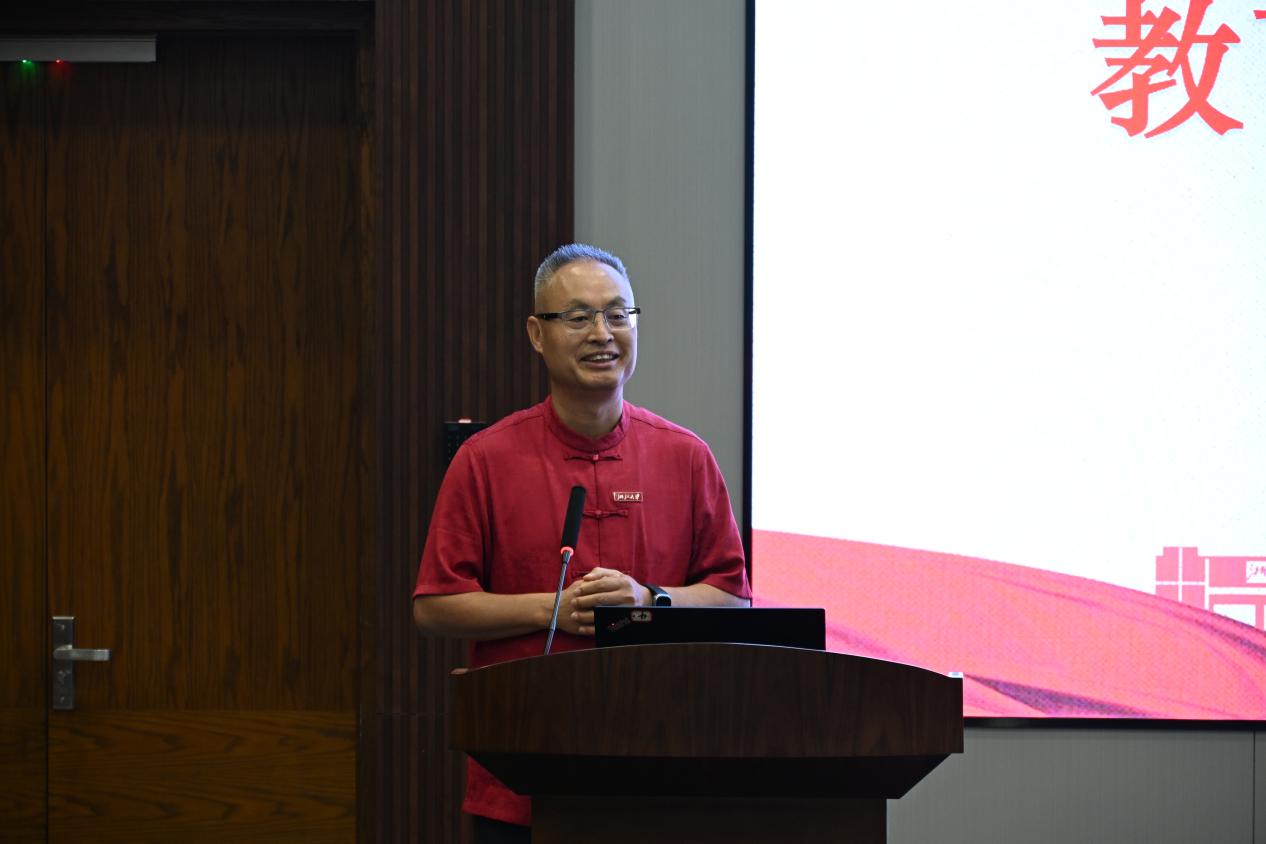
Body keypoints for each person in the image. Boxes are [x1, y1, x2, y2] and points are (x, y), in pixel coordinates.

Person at [412, 243, 751, 842]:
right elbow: (435, 606)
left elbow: (734, 598)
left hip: (662, 772)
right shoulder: (486, 459)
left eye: (618, 315)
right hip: (521, 776)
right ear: (536, 335)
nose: (602, 333)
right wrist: (554, 609)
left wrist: (649, 599)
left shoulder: (685, 456)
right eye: (578, 317)